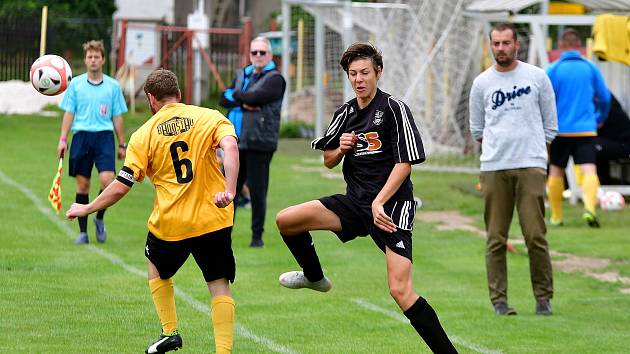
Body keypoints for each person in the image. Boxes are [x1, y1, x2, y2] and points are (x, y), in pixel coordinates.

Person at [275, 43, 458, 353]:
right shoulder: (345, 112)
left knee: (400, 290)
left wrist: (379, 202)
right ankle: (315, 278)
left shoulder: (394, 108)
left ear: (378, 73)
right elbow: (329, 160)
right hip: (355, 203)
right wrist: (340, 148)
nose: (358, 79)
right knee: (287, 221)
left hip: (391, 206)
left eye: (364, 73)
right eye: (353, 74)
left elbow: (405, 162)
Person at [66, 69, 239, 354]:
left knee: (156, 268)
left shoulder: (143, 134)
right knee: (218, 283)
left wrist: (87, 206)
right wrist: (230, 191)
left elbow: (122, 184)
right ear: (179, 95)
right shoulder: (209, 117)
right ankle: (223, 352)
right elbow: (230, 146)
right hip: (213, 218)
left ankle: (170, 331)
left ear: (151, 99)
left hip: (172, 224)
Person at [469, 23, 557, 316]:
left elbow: (550, 124)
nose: (501, 49)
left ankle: (543, 299)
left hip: (531, 165)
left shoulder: (537, 77)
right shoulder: (482, 83)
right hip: (495, 167)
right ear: (491, 45)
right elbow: (477, 128)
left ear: (516, 44)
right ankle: (499, 301)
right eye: (496, 43)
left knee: (535, 235)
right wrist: (499, 149)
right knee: (496, 238)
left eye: (506, 43)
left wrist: (532, 149)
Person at [57, 40, 128, 244]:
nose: (93, 60)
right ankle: (83, 233)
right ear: (86, 60)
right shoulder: (76, 85)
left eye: (97, 57)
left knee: (108, 180)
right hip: (81, 137)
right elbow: (69, 113)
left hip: (104, 137)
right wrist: (63, 139)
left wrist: (122, 143)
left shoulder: (113, 86)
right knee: (83, 184)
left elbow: (118, 117)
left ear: (103, 60)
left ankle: (98, 217)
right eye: (90, 57)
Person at [219, 36, 286, 248]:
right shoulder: (243, 74)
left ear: (270, 55)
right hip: (235, 143)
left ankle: (257, 238)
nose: (258, 56)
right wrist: (245, 99)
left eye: (262, 53)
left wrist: (239, 97)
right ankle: (222, 235)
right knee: (228, 191)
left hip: (259, 143)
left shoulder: (276, 79)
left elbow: (255, 97)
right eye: (254, 52)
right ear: (249, 54)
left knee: (258, 192)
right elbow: (223, 98)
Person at [546, 28, 611, 227]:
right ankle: (590, 208)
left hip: (560, 130)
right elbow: (605, 97)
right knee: (589, 168)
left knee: (556, 171)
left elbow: (544, 100)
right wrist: (600, 116)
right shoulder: (590, 68)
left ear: (561, 46)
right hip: (586, 128)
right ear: (580, 46)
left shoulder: (553, 69)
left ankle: (556, 217)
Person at [595, 93, 630, 185]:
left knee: (589, 146)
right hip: (612, 142)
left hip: (624, 145)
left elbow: (598, 124)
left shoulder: (604, 106)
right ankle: (602, 183)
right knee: (590, 145)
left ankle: (602, 183)